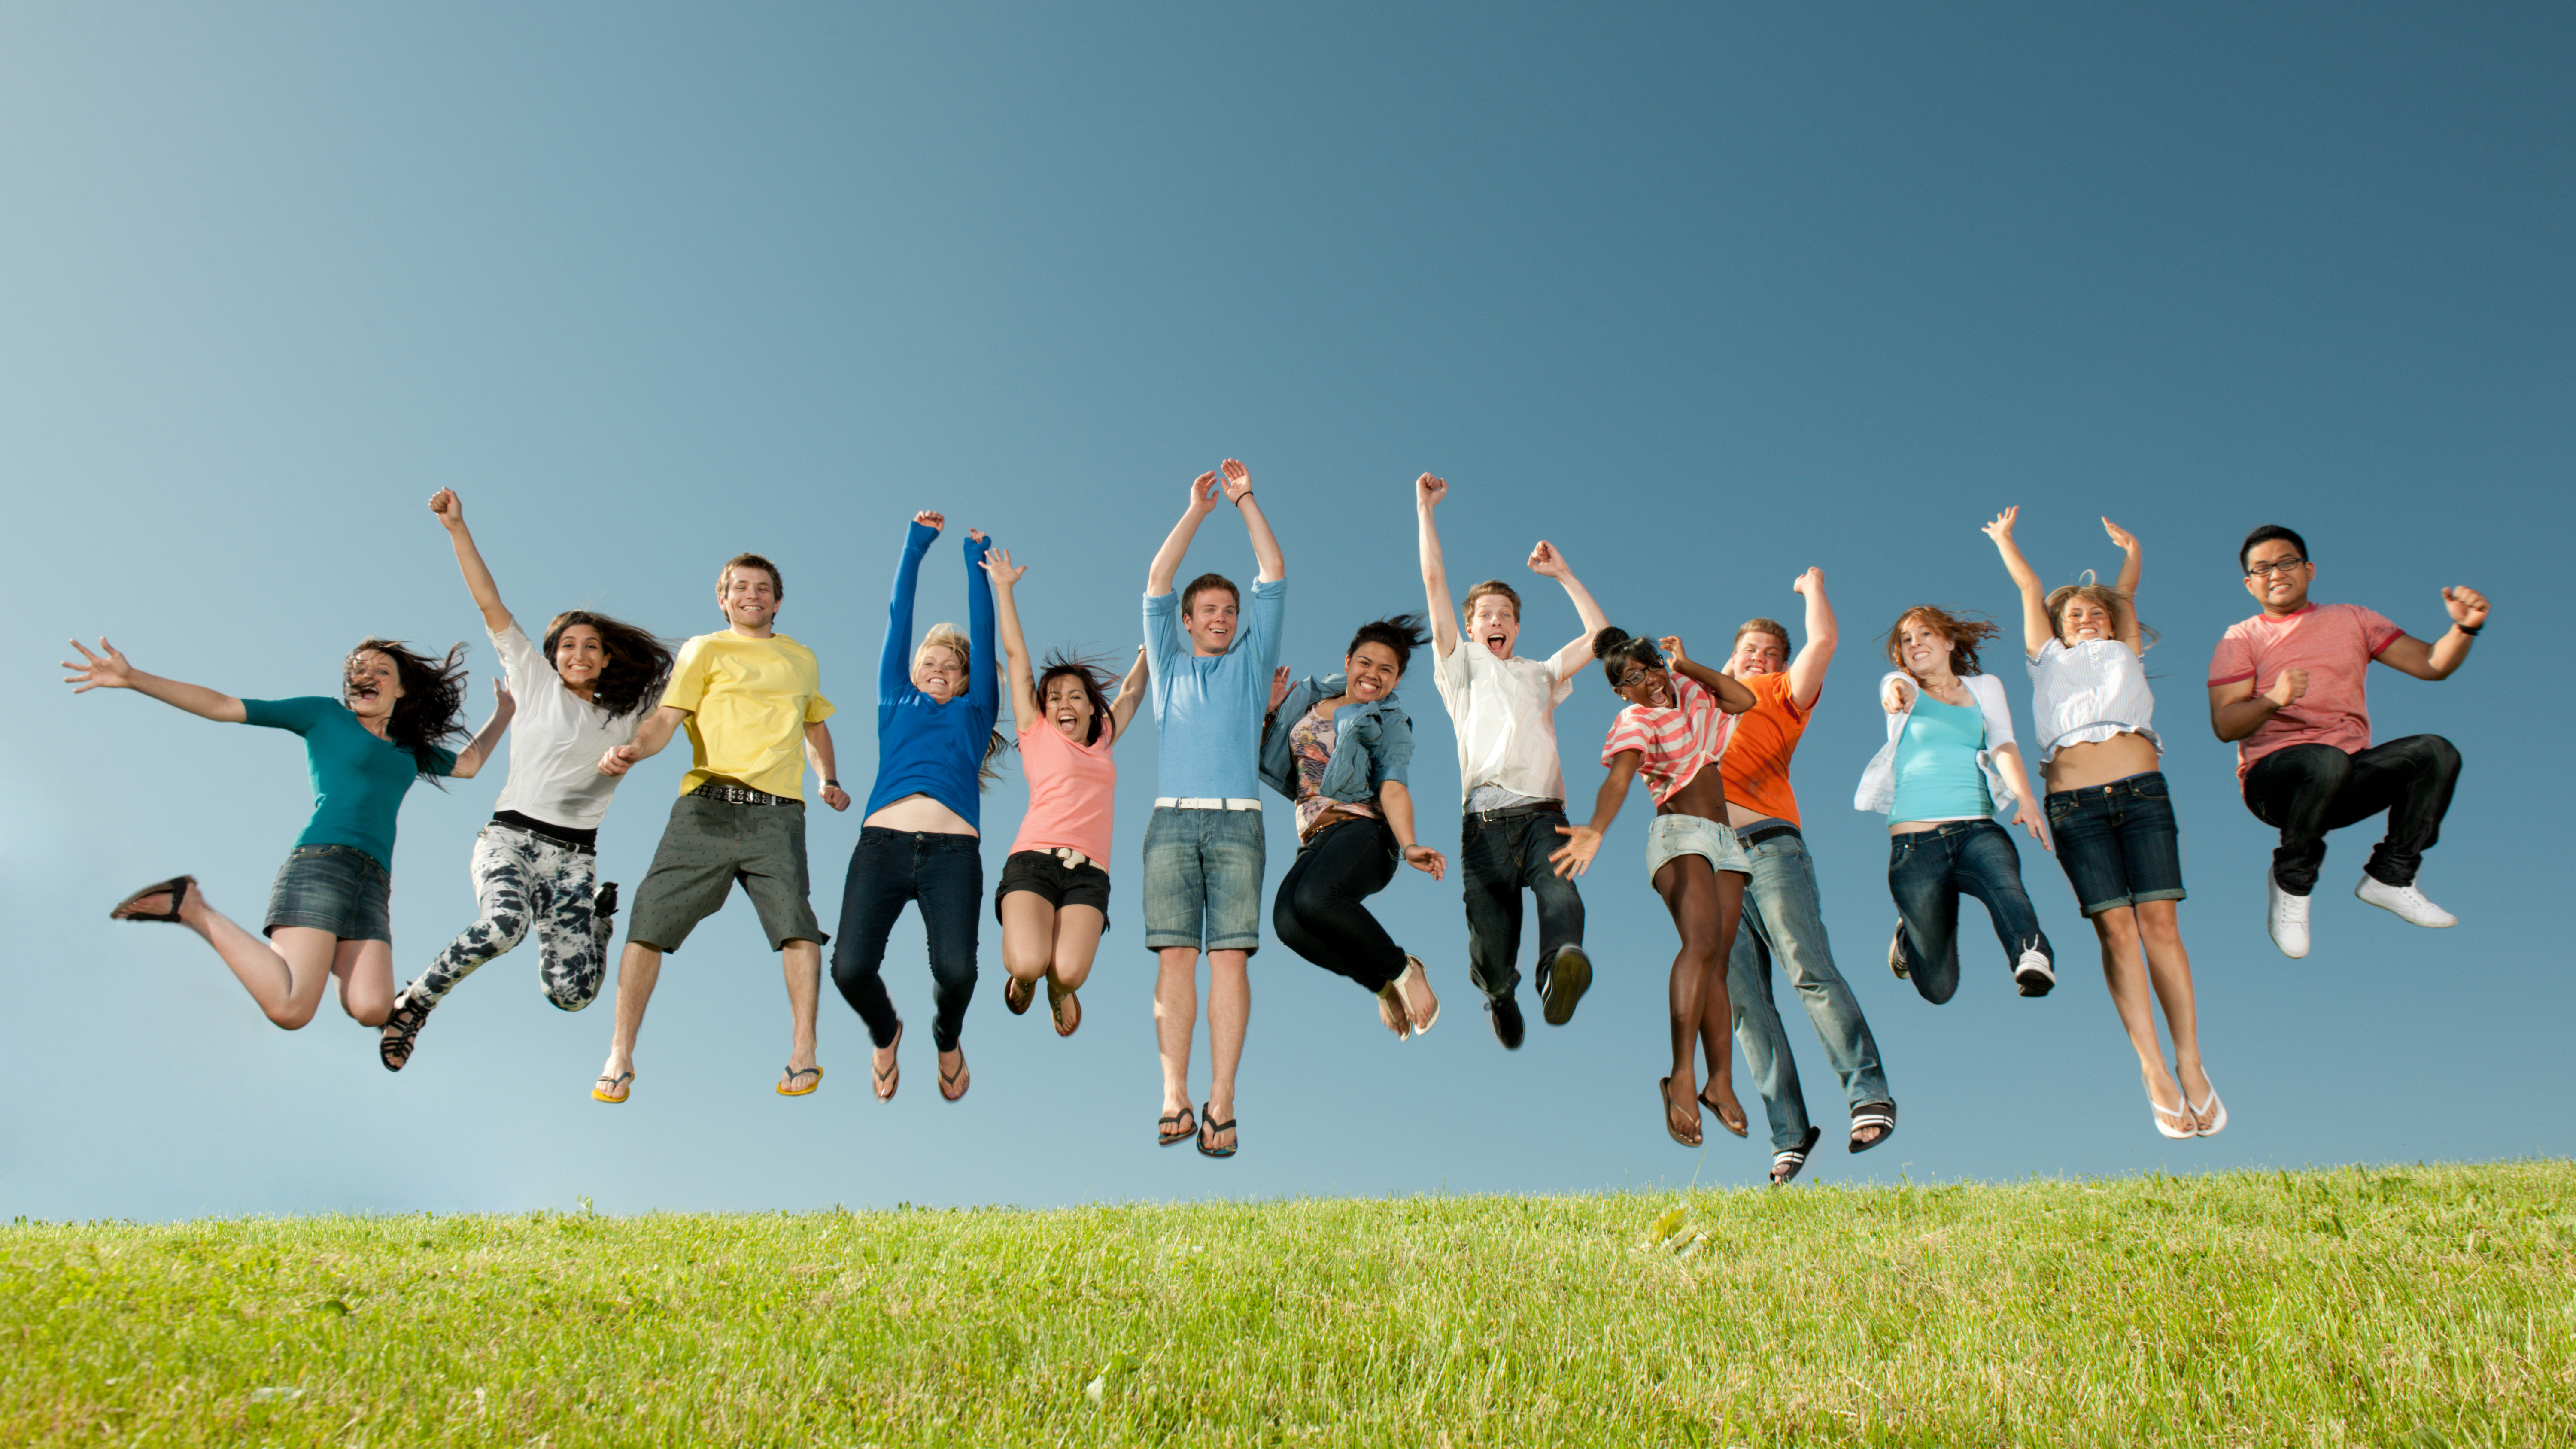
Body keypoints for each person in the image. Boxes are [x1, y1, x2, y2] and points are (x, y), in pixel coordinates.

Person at [378, 489, 677, 1071]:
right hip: (510, 841)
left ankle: (597, 923)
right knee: (503, 926)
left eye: (592, 646)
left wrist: (636, 750)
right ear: (552, 655)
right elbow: (488, 601)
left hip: (574, 861)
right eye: (568, 645)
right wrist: (457, 529)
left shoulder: (630, 713)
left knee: (573, 995)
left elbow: (686, 688)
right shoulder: (534, 681)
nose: (579, 653)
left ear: (608, 658)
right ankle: (414, 1003)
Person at [71, 632, 504, 1030]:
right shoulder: (324, 715)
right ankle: (192, 906)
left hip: (373, 882)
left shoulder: (409, 749)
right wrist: (133, 678)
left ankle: (327, 950)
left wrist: (507, 711)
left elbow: (468, 765)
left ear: (401, 688)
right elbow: (223, 706)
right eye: (357, 669)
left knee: (372, 1008)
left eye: (380, 671)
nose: (365, 675)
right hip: (323, 863)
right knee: (291, 1010)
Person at [1987, 509, 2220, 1138]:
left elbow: (2126, 594)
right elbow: (2030, 591)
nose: (2085, 619)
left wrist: (2134, 550)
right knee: (2117, 933)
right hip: (2075, 805)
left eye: (2094, 612)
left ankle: (2192, 1063)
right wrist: (2007, 540)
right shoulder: (2047, 660)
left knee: (2161, 925)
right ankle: (2153, 1069)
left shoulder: (2124, 648)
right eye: (2074, 615)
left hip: (2143, 793)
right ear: (2058, 629)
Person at [591, 551, 849, 1103]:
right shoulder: (704, 649)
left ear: (777, 601)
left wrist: (827, 778)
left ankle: (804, 1049)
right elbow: (667, 717)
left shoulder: (801, 658)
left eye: (762, 588)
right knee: (647, 920)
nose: (751, 595)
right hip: (704, 806)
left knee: (798, 924)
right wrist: (635, 749)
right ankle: (619, 1053)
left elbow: (816, 726)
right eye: (740, 587)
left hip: (777, 812)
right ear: (723, 598)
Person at [2208, 525, 2488, 958]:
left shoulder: (2352, 619)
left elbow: (2431, 664)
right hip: (2275, 785)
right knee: (2325, 761)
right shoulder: (2241, 637)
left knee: (2435, 752)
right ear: (2249, 583)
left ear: (2309, 569)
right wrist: (2273, 699)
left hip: (2346, 776)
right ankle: (2292, 885)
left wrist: (2464, 630)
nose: (2275, 573)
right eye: (2261, 568)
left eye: (2286, 562)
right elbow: (2226, 724)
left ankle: (2391, 876)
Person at [1414, 473, 1609, 1049]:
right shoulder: (1460, 667)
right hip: (1484, 827)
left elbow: (1600, 635)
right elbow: (1432, 580)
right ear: (1471, 626)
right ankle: (1501, 993)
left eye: (1505, 615)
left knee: (1562, 893)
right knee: (1493, 948)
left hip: (1544, 814)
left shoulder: (1540, 673)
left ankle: (1556, 971)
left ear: (1518, 627)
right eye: (1486, 615)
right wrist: (1425, 509)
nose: (1495, 622)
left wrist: (1564, 575)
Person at [1716, 569, 1898, 1183]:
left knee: (1807, 969)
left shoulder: (1781, 696)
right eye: (1750, 652)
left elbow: (1822, 642)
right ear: (1730, 658)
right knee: (1745, 1004)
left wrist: (1814, 585)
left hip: (1769, 850)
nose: (1761, 659)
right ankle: (1789, 1133)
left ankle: (1867, 1092)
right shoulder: (1699, 707)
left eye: (1771, 654)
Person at [1550, 629, 1757, 1149]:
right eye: (1633, 680)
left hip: (1726, 841)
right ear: (1621, 692)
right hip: (1679, 833)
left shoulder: (1689, 694)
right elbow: (1619, 779)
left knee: (1720, 959)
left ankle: (1721, 1082)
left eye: (1651, 669)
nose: (1649, 684)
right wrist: (1597, 827)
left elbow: (1743, 699)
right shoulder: (1635, 719)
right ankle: (1682, 1076)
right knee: (1701, 944)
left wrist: (1685, 666)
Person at [830, 511, 1006, 1103]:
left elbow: (984, 633)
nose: (938, 669)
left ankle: (946, 1037)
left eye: (949, 666)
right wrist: (915, 544)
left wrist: (973, 563)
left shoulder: (975, 711)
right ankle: (887, 1033)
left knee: (958, 972)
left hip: (953, 855)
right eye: (928, 662)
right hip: (881, 846)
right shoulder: (893, 699)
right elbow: (897, 616)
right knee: (850, 969)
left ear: (964, 680)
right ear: (913, 671)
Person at [1140, 459, 1285, 1159]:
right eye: (1210, 612)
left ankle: (1221, 1102)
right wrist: (1197, 512)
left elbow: (1275, 573)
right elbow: (1157, 583)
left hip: (1239, 825)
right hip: (1171, 823)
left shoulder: (1252, 668)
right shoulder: (1168, 666)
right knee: (1174, 958)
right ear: (1189, 624)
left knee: (1228, 963)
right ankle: (1174, 1093)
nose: (1223, 618)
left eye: (1231, 611)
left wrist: (1245, 500)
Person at [982, 547, 1150, 1041]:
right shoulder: (1036, 732)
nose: (1064, 703)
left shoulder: (1104, 739)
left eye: (1075, 695)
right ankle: (1026, 975)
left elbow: (1133, 694)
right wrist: (1005, 589)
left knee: (1070, 972)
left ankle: (1060, 991)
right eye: (1054, 697)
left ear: (1092, 708)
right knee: (1030, 961)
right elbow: (1017, 658)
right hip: (1033, 861)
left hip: (1089, 875)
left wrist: (1149, 654)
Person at [1856, 606, 2057, 1007]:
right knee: (1939, 989)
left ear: (1948, 641)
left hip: (1975, 827)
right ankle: (1909, 937)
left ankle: (2031, 953)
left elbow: (2002, 742)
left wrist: (2027, 798)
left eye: (1925, 635)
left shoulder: (1984, 687)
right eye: (1907, 640)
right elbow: (1895, 688)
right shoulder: (1901, 686)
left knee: (2006, 883)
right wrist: (1896, 690)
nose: (1915, 644)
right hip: (1915, 845)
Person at [1258, 617, 1447, 1039]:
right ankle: (1382, 985)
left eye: (1387, 670)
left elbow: (1394, 785)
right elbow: (1272, 757)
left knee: (1315, 898)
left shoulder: (1388, 720)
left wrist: (1410, 842)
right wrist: (1270, 713)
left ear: (1397, 678)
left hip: (1366, 834)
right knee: (1288, 925)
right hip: (1317, 838)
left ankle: (1404, 969)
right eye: (1365, 663)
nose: (1373, 676)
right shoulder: (1306, 700)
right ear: (1347, 662)